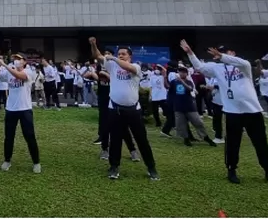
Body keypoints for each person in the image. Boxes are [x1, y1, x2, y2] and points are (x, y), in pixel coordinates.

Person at [181, 40, 268, 186]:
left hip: (252, 111)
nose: (221, 54)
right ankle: (231, 170)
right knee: (232, 143)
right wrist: (190, 53)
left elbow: (240, 62)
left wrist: (222, 56)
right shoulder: (217, 68)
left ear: (233, 53)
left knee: (260, 142)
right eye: (219, 52)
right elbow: (199, 67)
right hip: (232, 111)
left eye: (226, 51)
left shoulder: (244, 66)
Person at [90, 37, 159, 180]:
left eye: (123, 54)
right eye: (119, 53)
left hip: (133, 110)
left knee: (142, 139)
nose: (121, 55)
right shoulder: (112, 66)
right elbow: (97, 56)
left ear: (130, 56)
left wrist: (114, 58)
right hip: (115, 108)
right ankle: (114, 167)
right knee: (115, 139)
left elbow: (128, 68)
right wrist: (93, 44)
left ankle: (151, 168)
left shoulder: (136, 67)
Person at [0, 54, 41, 173]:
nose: (16, 61)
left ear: (24, 61)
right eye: (14, 59)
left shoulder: (28, 71)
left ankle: (36, 162)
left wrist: (5, 65)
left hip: (25, 109)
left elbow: (20, 76)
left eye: (18, 59)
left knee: (30, 136)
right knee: (9, 137)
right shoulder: (8, 72)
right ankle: (7, 160)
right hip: (11, 109)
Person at [163, 65, 216, 147]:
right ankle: (186, 139)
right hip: (178, 107)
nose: (181, 73)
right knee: (181, 124)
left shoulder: (189, 82)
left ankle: (205, 137)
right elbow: (168, 89)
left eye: (183, 72)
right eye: (180, 72)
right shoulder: (174, 82)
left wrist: (181, 81)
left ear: (186, 74)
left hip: (189, 106)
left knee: (198, 122)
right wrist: (164, 77)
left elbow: (190, 89)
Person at [207, 75, 225, 144]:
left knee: (228, 120)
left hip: (224, 102)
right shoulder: (212, 78)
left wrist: (213, 87)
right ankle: (218, 136)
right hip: (215, 101)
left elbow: (223, 85)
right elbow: (209, 86)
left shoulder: (222, 76)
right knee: (217, 119)